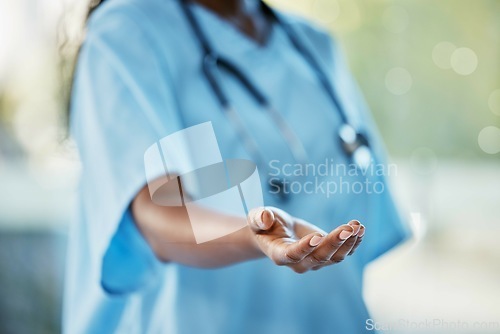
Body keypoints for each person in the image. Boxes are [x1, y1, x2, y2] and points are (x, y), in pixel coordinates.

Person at [63, 0, 410, 332]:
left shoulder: (314, 45)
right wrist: (254, 235)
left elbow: (364, 217)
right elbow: (155, 214)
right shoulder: (129, 30)